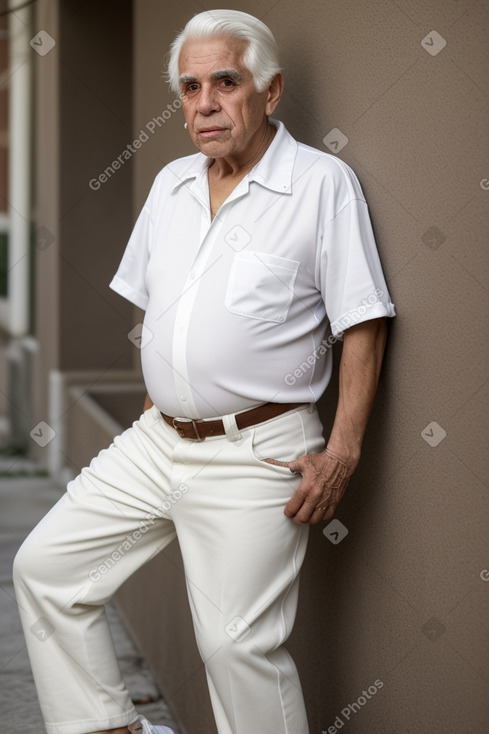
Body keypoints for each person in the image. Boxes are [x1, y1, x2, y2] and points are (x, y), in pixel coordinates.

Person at [13, 9, 396, 734]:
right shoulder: (170, 186)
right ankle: (108, 729)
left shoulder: (321, 184)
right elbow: (156, 307)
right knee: (48, 573)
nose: (205, 103)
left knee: (235, 646)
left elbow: (363, 323)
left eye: (226, 81)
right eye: (189, 88)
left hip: (259, 453)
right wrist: (171, 395)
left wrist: (340, 452)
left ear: (270, 91)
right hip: (158, 440)